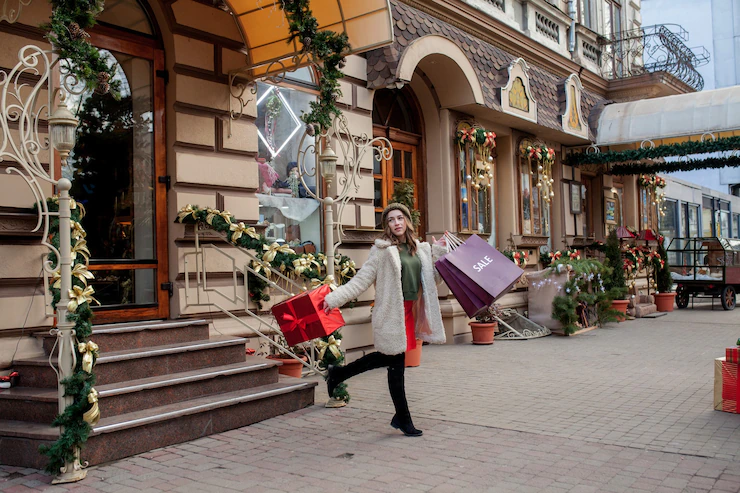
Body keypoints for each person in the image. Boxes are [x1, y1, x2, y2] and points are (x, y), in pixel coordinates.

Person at [319, 203, 447, 437]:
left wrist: (439, 252)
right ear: (386, 225)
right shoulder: (382, 250)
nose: (396, 223)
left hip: (411, 312)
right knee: (395, 364)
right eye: (391, 220)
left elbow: (432, 281)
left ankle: (339, 374)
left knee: (393, 363)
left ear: (407, 220)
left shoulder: (421, 249)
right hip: (392, 314)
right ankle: (403, 418)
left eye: (400, 218)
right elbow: (361, 280)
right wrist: (334, 298)